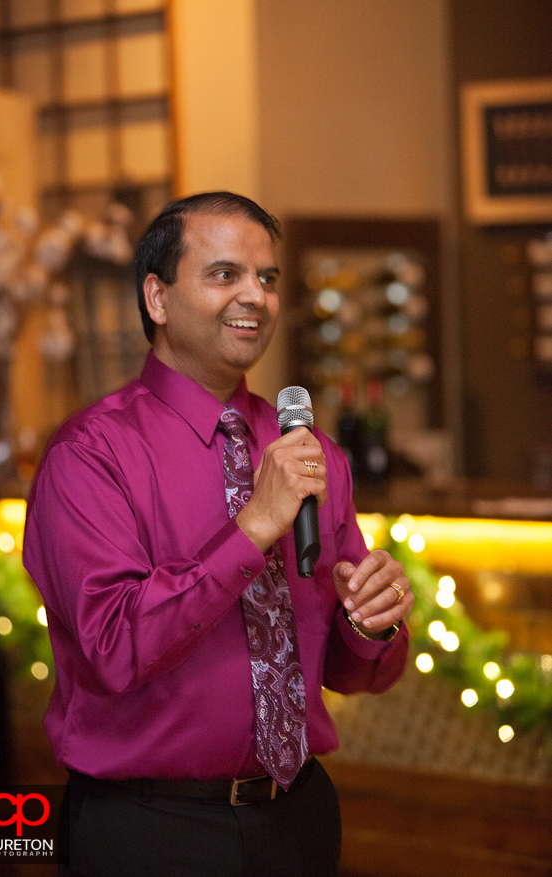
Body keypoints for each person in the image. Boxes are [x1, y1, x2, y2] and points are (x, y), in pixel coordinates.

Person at [23, 192, 414, 877]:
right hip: (150, 828)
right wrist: (252, 528)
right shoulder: (91, 453)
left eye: (266, 278)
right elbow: (112, 649)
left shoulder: (306, 449)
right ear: (157, 296)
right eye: (224, 274)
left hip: (298, 818)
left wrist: (372, 624)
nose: (254, 297)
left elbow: (351, 672)